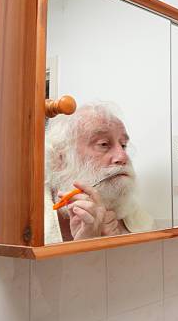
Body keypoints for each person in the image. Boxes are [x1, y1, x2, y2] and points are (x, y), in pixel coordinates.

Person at [44, 103, 153, 243]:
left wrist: (109, 246)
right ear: (60, 157)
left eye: (123, 145)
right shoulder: (28, 222)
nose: (123, 156)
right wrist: (86, 242)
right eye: (103, 144)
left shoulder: (136, 219)